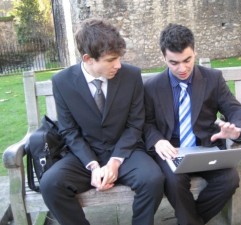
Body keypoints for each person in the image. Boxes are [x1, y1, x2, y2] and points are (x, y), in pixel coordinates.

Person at [39, 18, 164, 225]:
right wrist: (93, 166)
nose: (118, 64)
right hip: (85, 155)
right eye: (111, 60)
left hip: (126, 152)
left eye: (119, 58)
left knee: (153, 179)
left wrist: (115, 161)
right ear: (88, 59)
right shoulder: (62, 82)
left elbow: (135, 124)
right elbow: (69, 131)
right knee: (51, 183)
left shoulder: (131, 76)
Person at [143, 23, 241, 225]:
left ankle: (190, 220)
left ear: (195, 52)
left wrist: (236, 130)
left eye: (187, 60)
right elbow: (145, 123)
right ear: (163, 58)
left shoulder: (213, 79)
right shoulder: (151, 86)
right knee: (174, 182)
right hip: (171, 150)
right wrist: (157, 140)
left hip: (205, 147)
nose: (182, 68)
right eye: (174, 63)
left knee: (230, 180)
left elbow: (236, 110)